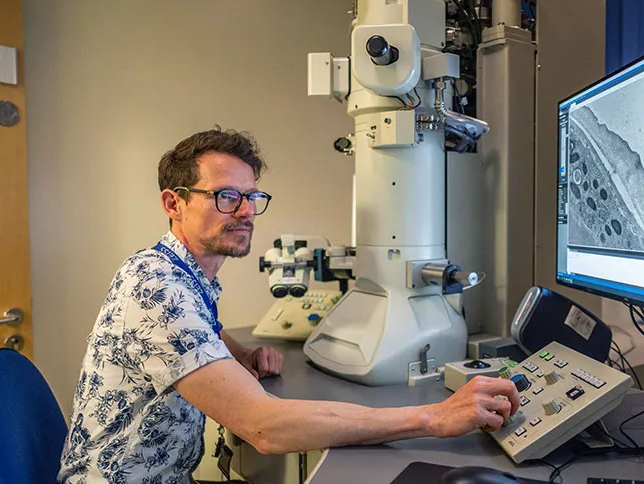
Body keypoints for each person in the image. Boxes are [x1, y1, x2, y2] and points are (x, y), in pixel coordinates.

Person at [57, 127, 519, 483]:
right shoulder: (157, 286)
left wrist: (243, 357)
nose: (244, 211)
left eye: (251, 196)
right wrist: (432, 417)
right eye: (225, 196)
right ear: (173, 203)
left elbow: (201, 332)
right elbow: (263, 427)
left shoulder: (181, 275)